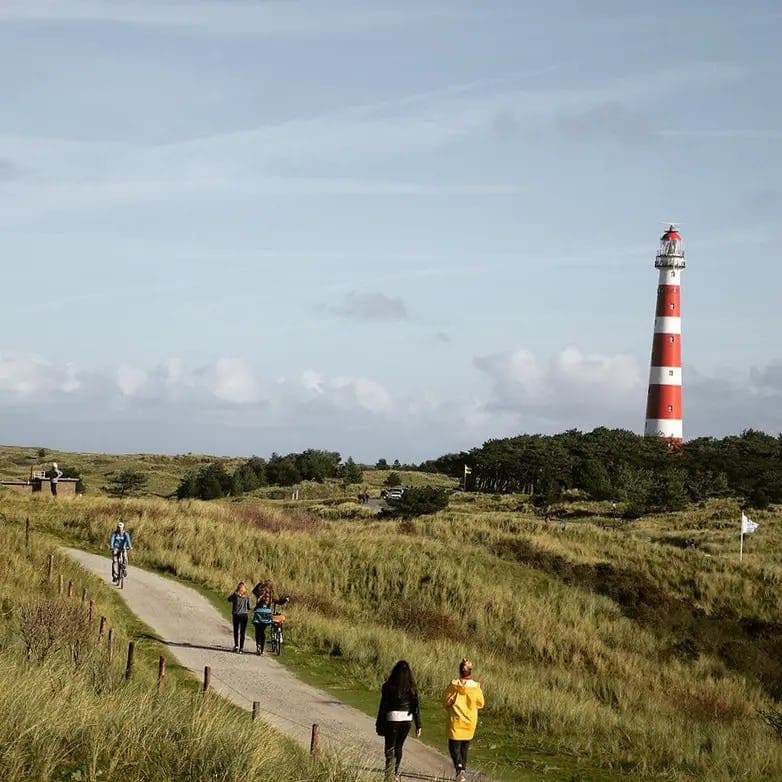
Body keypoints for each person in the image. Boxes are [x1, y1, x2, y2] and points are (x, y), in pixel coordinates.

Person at [376, 660, 421, 782]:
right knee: (399, 746)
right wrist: (418, 725)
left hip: (392, 717)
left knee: (390, 746)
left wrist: (379, 722)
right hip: (407, 719)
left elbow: (383, 706)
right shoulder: (412, 688)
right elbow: (416, 707)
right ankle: (395, 773)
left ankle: (388, 773)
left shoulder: (388, 686)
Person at [443, 658, 484, 782]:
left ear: (459, 671)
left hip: (455, 721)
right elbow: (481, 703)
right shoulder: (476, 687)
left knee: (453, 747)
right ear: (470, 672)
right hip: (470, 721)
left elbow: (445, 701)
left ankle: (459, 768)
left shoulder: (454, 685)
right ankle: (462, 771)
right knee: (465, 747)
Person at [227, 582, 251, 653]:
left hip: (236, 614)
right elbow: (250, 607)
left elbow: (228, 599)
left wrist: (235, 593)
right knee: (242, 632)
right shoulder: (247, 597)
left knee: (236, 631)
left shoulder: (235, 596)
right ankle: (241, 648)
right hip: (244, 615)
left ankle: (236, 645)